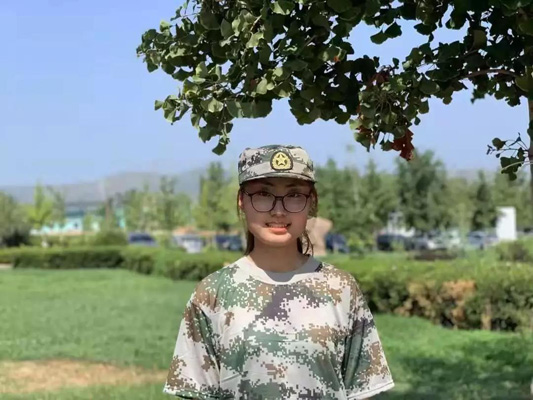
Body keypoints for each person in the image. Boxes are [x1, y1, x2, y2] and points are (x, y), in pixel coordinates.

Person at [163, 144, 394, 399]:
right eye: (263, 194)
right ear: (242, 201)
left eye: (294, 195)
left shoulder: (340, 289)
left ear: (311, 202)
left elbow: (363, 391)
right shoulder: (212, 293)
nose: (279, 210)